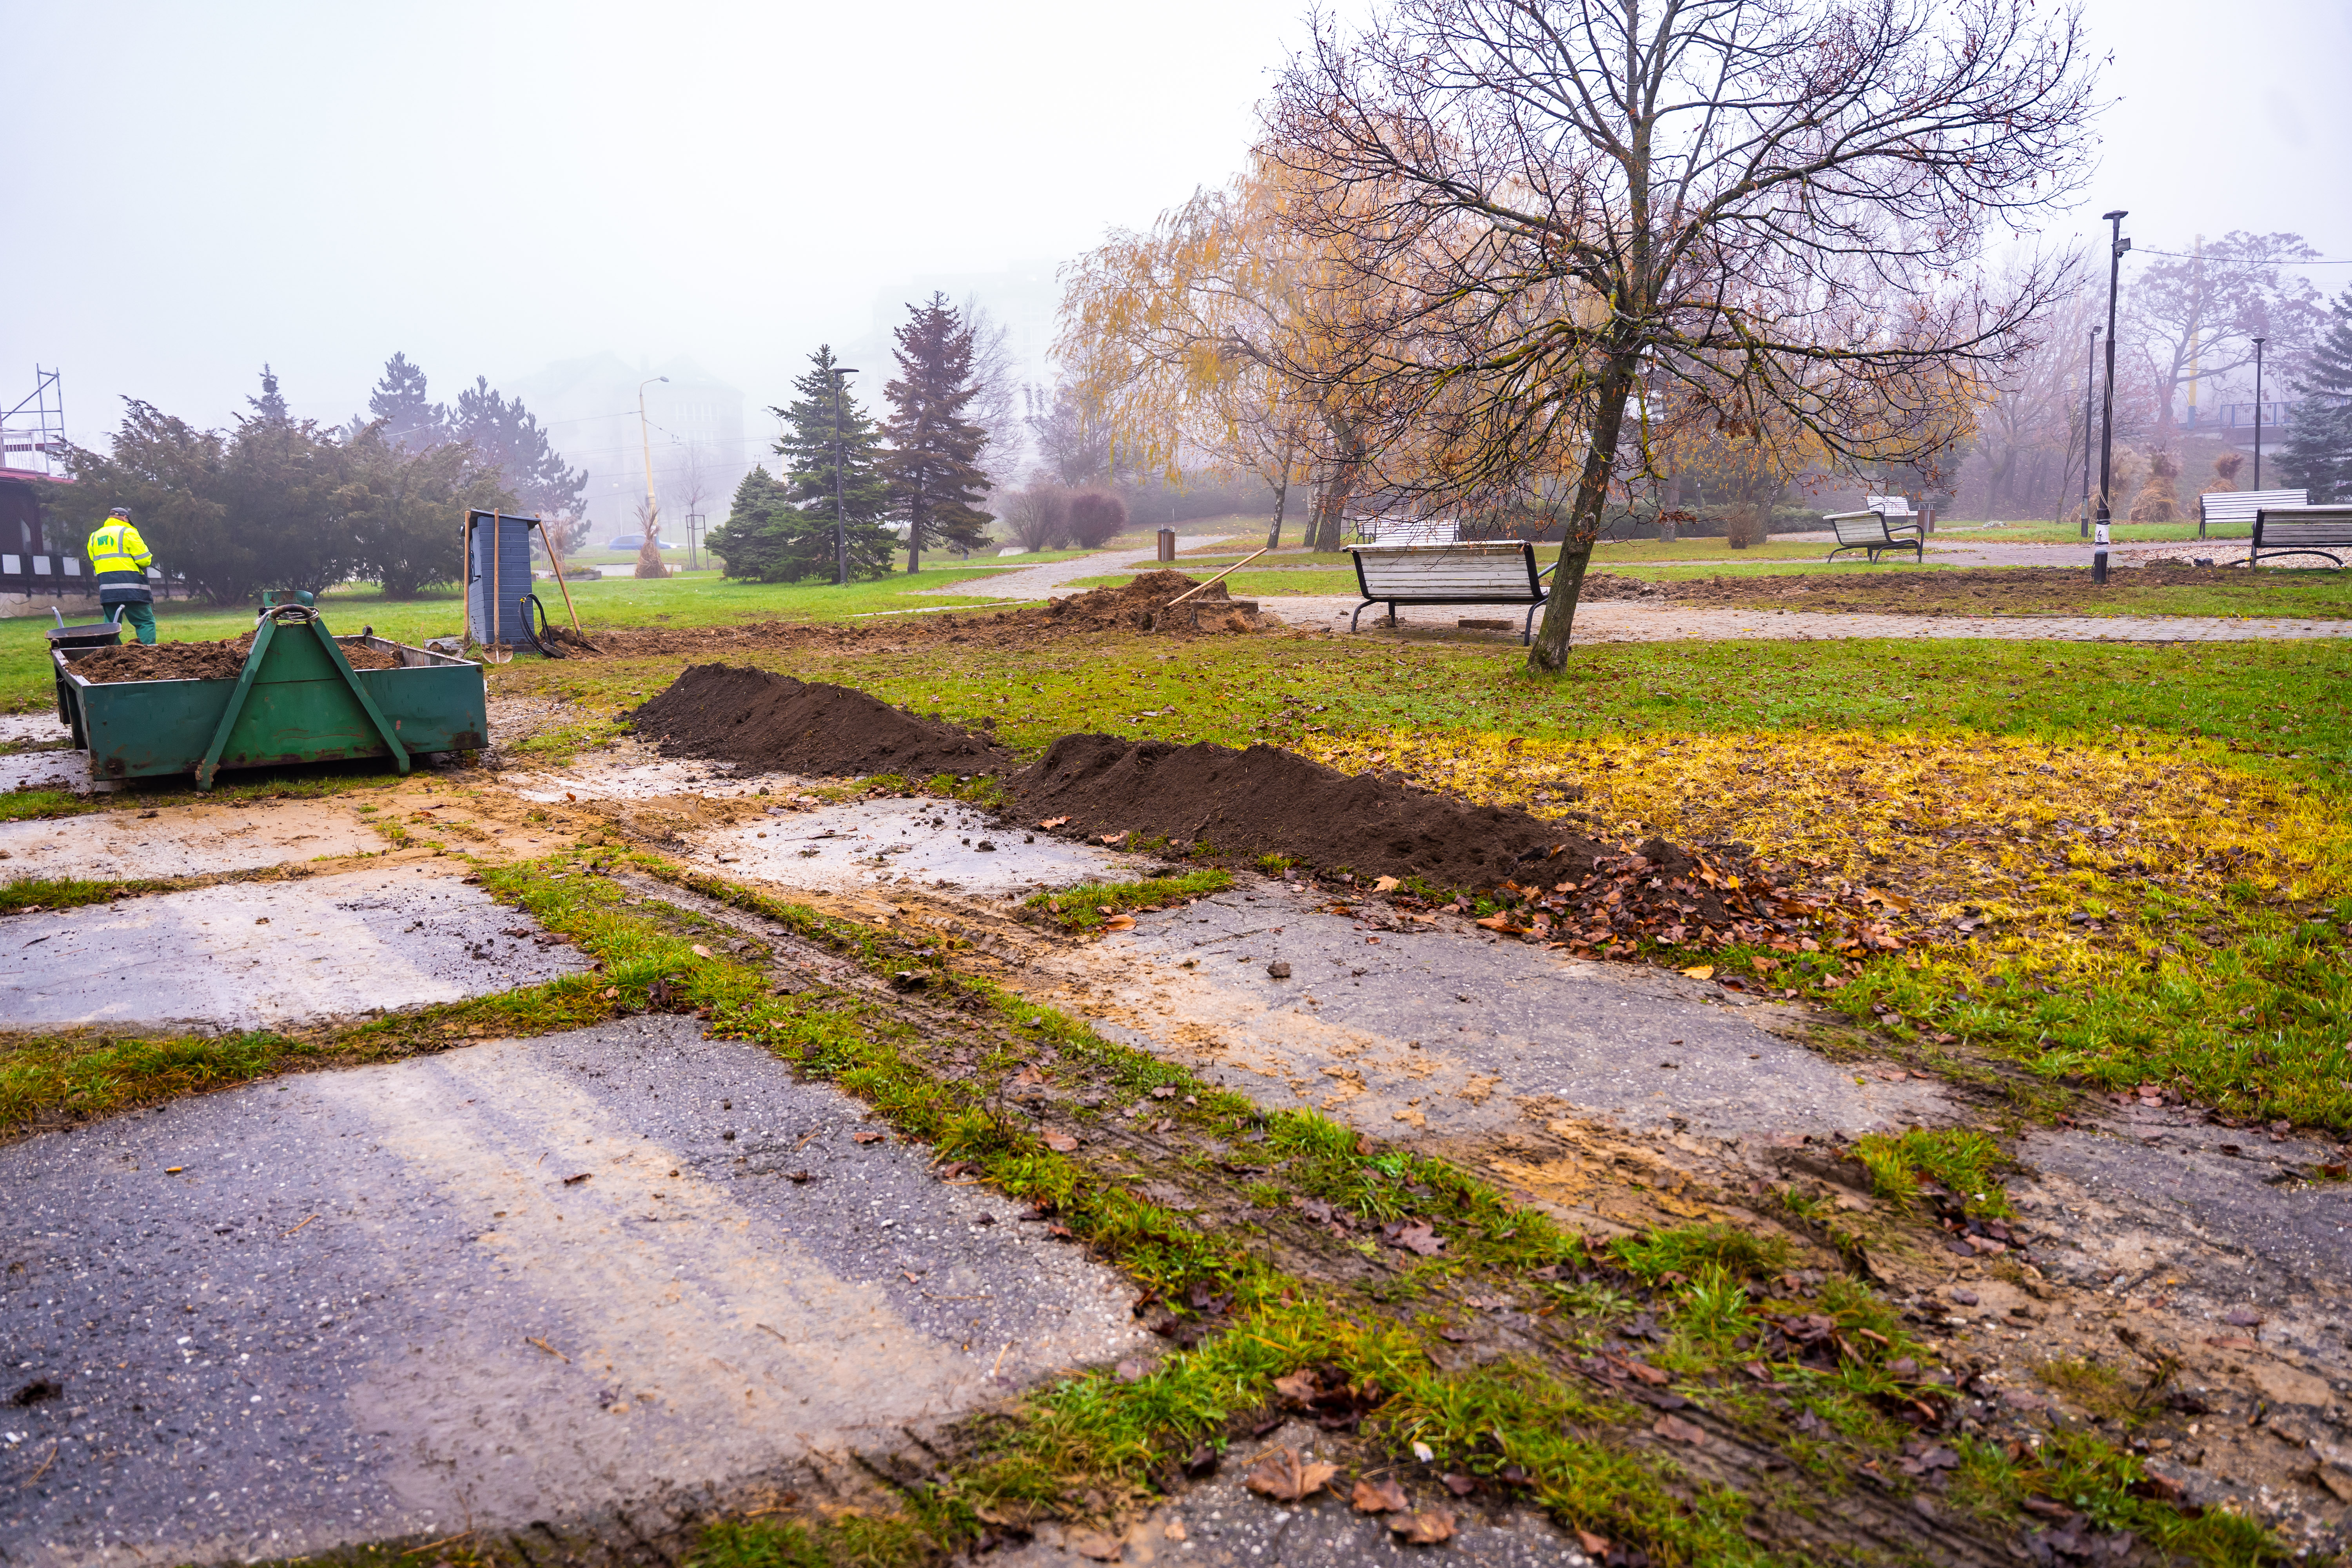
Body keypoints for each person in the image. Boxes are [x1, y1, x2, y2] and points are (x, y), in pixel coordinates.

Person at [86, 506, 157, 645]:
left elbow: (93, 558)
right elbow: (145, 560)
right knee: (145, 622)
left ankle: (115, 657)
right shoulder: (128, 532)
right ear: (125, 518)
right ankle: (146, 654)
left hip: (107, 589)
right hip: (132, 588)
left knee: (110, 627)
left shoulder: (95, 536)